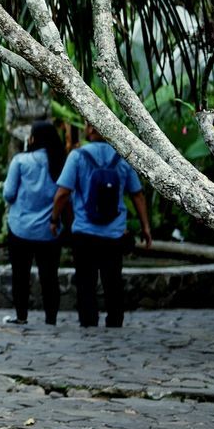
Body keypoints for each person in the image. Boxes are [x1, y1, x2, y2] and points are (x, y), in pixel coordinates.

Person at [50, 122, 153, 327]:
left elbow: (62, 194)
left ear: (90, 130)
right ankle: (115, 321)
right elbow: (137, 195)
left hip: (84, 234)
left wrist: (54, 219)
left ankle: (88, 321)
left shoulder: (77, 156)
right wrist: (145, 228)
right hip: (114, 234)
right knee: (113, 281)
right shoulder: (123, 157)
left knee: (85, 282)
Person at [1, 120, 67, 325]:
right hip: (50, 229)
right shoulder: (61, 162)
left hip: (21, 228)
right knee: (50, 276)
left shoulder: (21, 161)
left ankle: (21, 316)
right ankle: (51, 319)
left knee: (20, 275)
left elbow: (9, 194)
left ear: (33, 138)